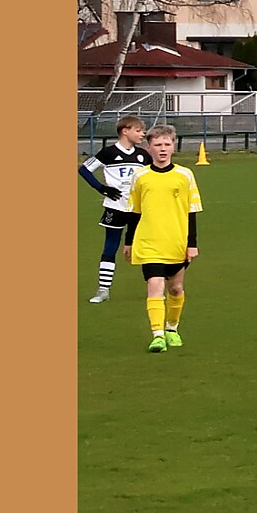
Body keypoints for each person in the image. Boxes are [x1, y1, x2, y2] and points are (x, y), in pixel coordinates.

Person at [123, 124, 202, 352]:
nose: (163, 149)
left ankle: (172, 328)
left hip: (176, 241)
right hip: (149, 241)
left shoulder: (185, 175)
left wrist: (192, 244)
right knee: (155, 284)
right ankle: (157, 335)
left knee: (175, 288)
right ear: (149, 148)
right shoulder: (140, 176)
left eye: (167, 144)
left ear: (173, 147)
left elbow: (191, 211)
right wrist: (129, 241)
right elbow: (134, 211)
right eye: (158, 145)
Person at [81, 116, 151, 303]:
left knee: (146, 247)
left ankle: (155, 287)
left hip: (138, 208)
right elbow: (84, 170)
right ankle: (103, 290)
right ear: (125, 131)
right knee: (110, 246)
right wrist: (102, 188)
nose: (142, 134)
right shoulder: (108, 152)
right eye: (138, 130)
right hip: (115, 206)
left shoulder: (143, 155)